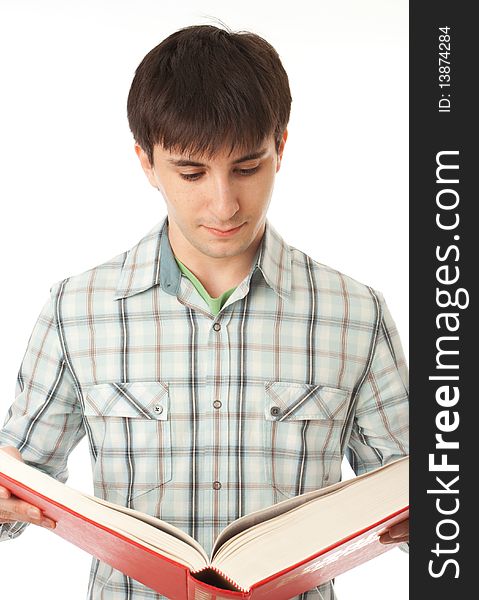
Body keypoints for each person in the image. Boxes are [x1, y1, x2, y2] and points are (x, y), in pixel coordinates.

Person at [0, 24, 409, 600]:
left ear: (281, 148)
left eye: (247, 168)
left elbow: (419, 501)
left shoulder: (355, 314)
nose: (223, 203)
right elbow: (22, 487)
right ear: (146, 162)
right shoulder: (76, 309)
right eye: (191, 173)